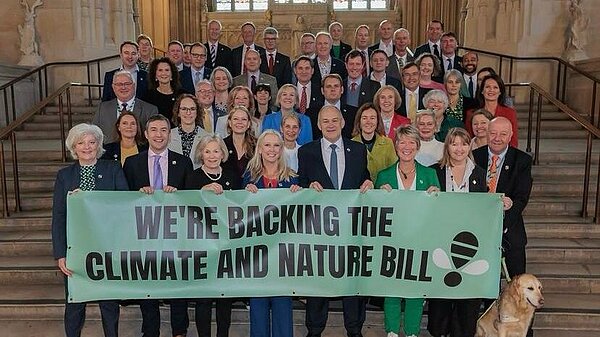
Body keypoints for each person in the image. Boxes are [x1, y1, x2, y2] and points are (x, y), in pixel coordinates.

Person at [298, 105, 373, 337]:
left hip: (351, 228)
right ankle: (315, 328)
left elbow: (364, 177)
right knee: (319, 279)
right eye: (325, 121)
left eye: (334, 120)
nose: (330, 124)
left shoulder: (358, 150)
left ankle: (354, 328)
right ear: (319, 125)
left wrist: (369, 182)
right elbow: (300, 183)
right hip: (320, 228)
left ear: (342, 123)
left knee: (352, 280)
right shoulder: (306, 151)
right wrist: (307, 187)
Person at [52, 123, 128, 337]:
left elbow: (124, 205)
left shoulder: (112, 169)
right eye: (81, 143)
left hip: (107, 245)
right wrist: (60, 254)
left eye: (92, 142)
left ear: (98, 145)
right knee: (75, 302)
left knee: (109, 301)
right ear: (74, 148)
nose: (87, 147)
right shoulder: (65, 176)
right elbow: (58, 216)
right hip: (75, 247)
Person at [123, 114, 193, 337]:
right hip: (145, 235)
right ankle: (150, 330)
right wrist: (138, 195)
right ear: (145, 134)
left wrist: (179, 195)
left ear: (169, 133)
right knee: (149, 283)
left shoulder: (183, 162)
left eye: (163, 130)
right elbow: (123, 200)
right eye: (153, 130)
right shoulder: (132, 163)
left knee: (177, 283)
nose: (159, 135)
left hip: (176, 234)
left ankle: (179, 330)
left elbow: (192, 199)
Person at [375, 125, 440, 337]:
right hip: (392, 242)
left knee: (415, 290)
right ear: (395, 146)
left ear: (418, 146)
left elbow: (438, 212)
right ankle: (392, 331)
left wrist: (437, 196)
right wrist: (378, 195)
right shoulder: (384, 176)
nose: (406, 146)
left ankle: (412, 332)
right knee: (391, 289)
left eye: (411, 142)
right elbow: (375, 214)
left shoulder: (430, 175)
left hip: (420, 242)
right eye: (402, 142)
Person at [428, 127, 486, 337]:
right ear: (447, 147)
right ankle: (439, 331)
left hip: (471, 244)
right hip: (441, 242)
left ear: (469, 146)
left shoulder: (479, 174)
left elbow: (485, 208)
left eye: (463, 143)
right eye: (454, 143)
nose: (459, 148)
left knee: (467, 295)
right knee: (442, 295)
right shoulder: (434, 171)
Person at [243, 129, 300, 337]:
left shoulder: (293, 179)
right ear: (259, 149)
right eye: (267, 145)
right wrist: (244, 196)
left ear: (282, 149)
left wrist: (299, 196)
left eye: (276, 145)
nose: (272, 150)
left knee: (283, 310)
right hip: (257, 256)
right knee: (257, 309)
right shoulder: (248, 179)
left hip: (283, 256)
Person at [182, 134, 239, 337]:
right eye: (207, 151)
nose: (212, 155)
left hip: (227, 246)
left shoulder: (233, 176)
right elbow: (184, 210)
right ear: (201, 154)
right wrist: (200, 193)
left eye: (216, 151)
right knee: (203, 299)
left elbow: (242, 207)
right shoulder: (193, 177)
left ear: (222, 153)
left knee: (225, 299)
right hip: (201, 247)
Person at [473, 117, 532, 278]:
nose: (497, 138)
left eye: (503, 134)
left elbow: (521, 197)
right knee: (482, 281)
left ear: (511, 135)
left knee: (517, 284)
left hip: (510, 229)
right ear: (486, 133)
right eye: (493, 133)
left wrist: (501, 226)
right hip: (478, 230)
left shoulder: (522, 160)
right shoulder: (473, 157)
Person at [93, 70, 158, 143]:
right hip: (109, 153)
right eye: (119, 84)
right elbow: (94, 134)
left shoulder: (150, 110)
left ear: (134, 86)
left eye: (127, 84)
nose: (123, 87)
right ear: (113, 87)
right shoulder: (102, 108)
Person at [467, 74, 518, 147]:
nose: (491, 90)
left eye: (495, 87)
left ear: (500, 92)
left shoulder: (510, 113)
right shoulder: (471, 113)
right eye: (487, 87)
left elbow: (513, 141)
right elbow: (469, 139)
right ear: (482, 91)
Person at [351, 102, 397, 182]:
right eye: (364, 118)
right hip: (360, 191)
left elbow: (393, 170)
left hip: (383, 190)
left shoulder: (388, 143)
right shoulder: (351, 145)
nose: (368, 122)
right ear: (359, 121)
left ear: (378, 121)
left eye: (372, 118)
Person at [168, 94, 209, 169]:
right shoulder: (168, 136)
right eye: (184, 109)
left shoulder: (207, 137)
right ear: (178, 112)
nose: (188, 112)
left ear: (197, 112)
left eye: (192, 109)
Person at [222, 105, 257, 180]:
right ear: (230, 123)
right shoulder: (221, 144)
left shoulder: (257, 145)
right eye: (235, 119)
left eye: (243, 119)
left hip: (251, 188)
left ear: (248, 124)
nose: (239, 122)